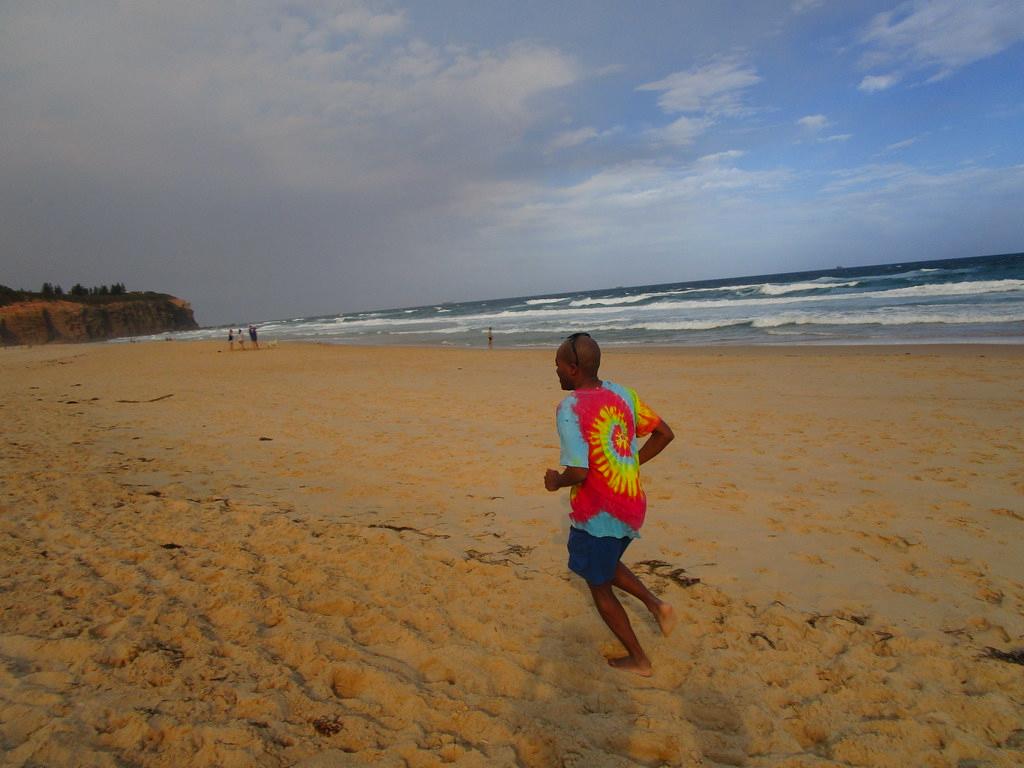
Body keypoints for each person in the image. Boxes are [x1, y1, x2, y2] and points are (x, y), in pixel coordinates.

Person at [544, 332, 676, 676]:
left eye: (557, 366)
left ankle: (639, 658)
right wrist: (629, 462)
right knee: (606, 565)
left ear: (573, 369)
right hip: (632, 503)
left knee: (599, 587)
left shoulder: (570, 408)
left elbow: (579, 470)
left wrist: (556, 480)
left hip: (599, 511)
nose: (555, 372)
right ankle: (655, 604)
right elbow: (664, 433)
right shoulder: (623, 393)